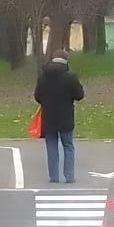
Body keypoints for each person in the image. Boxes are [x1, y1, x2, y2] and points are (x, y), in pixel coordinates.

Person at [34, 51, 84, 184]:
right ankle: (69, 176)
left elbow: (37, 96)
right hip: (66, 116)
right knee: (68, 145)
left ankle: (54, 176)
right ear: (66, 61)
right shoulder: (70, 77)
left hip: (48, 116)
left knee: (51, 146)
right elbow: (79, 95)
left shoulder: (42, 77)